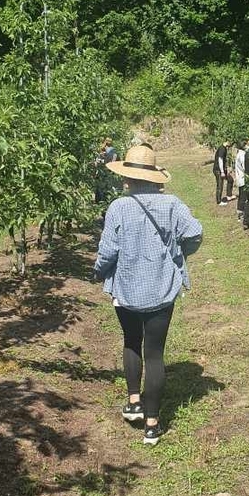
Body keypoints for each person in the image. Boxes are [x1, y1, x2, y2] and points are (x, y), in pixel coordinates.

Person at [94, 144, 203, 445]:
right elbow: (194, 233)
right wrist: (179, 254)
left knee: (131, 341)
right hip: (161, 288)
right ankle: (152, 425)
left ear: (127, 178)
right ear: (155, 176)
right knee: (155, 353)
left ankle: (134, 402)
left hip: (126, 288)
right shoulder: (172, 205)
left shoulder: (118, 207)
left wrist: (99, 271)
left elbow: (108, 250)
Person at [213, 141, 232, 205]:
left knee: (230, 180)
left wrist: (226, 169)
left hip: (222, 169)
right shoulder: (222, 149)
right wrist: (222, 172)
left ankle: (229, 196)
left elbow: (224, 160)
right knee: (220, 185)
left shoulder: (224, 148)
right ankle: (219, 201)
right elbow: (220, 160)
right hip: (218, 170)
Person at [235, 140, 247, 220]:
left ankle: (240, 212)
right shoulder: (242, 155)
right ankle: (241, 214)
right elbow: (245, 167)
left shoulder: (239, 154)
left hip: (240, 178)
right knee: (243, 196)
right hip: (243, 178)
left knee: (241, 196)